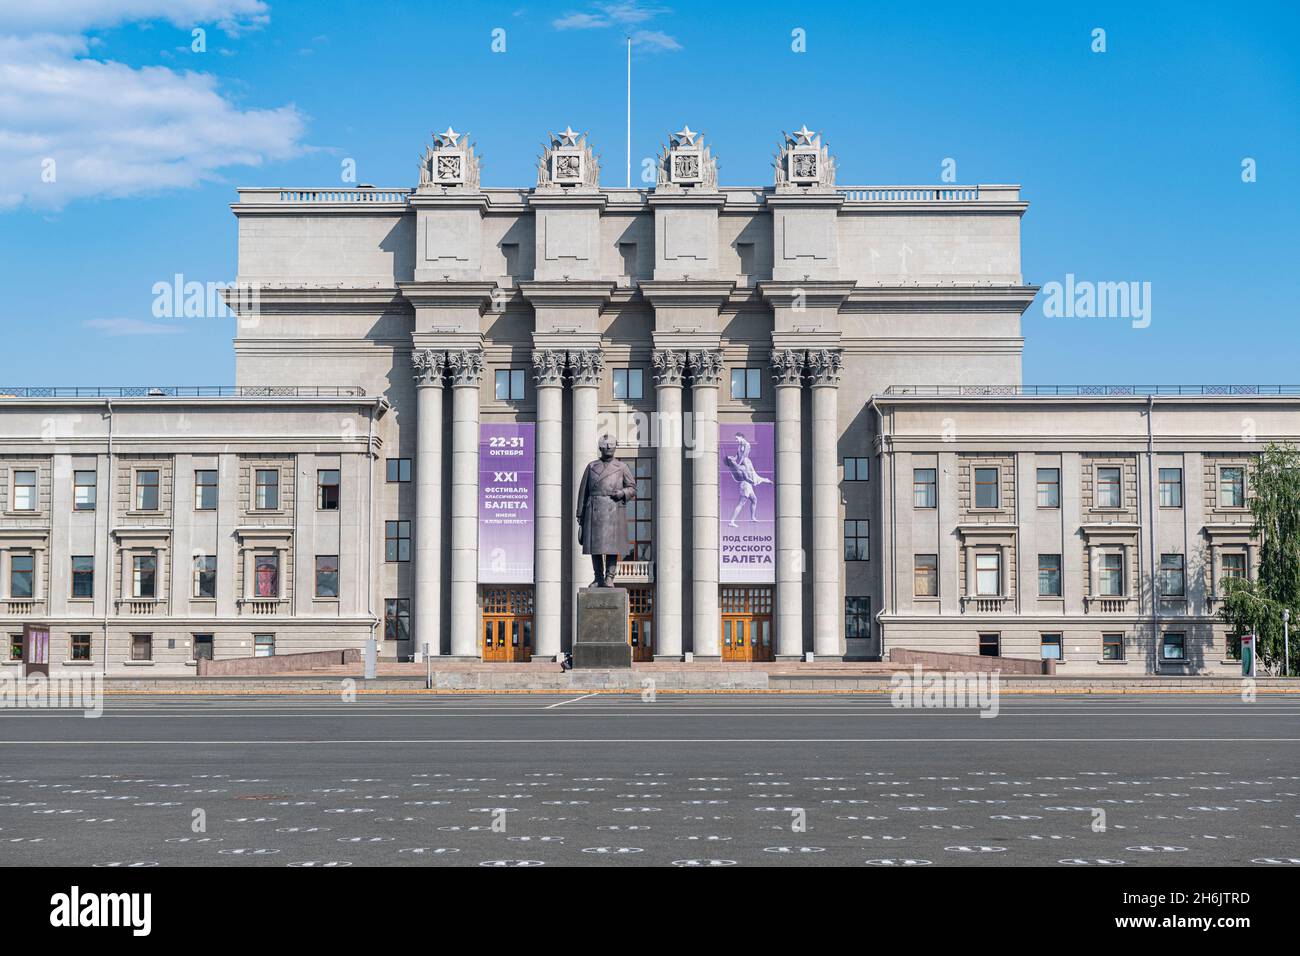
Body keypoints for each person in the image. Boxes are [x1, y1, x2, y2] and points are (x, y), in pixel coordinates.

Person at [726, 433, 770, 527]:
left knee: (754, 500)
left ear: (741, 437)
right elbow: (738, 457)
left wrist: (736, 461)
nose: (736, 440)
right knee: (742, 502)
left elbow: (743, 456)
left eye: (737, 438)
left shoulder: (746, 445)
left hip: (745, 466)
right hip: (745, 481)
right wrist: (735, 462)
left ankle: (752, 517)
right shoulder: (740, 450)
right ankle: (732, 521)